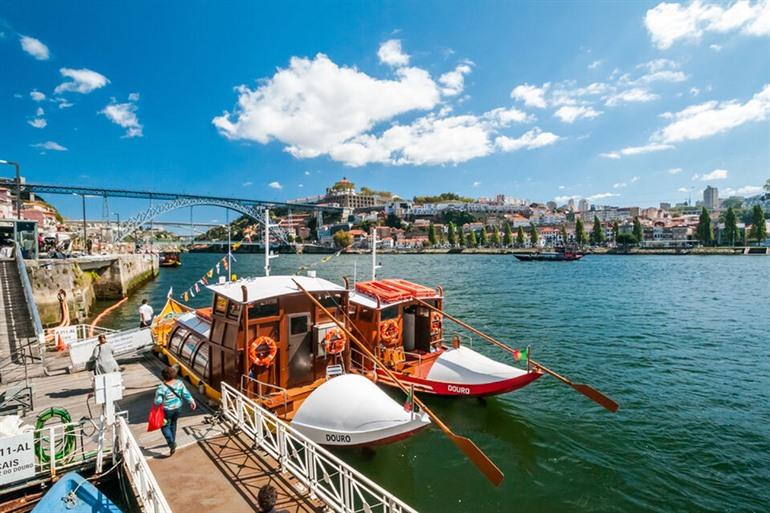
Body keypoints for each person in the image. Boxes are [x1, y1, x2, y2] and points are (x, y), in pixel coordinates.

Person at [154, 366, 196, 456]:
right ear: (173, 375)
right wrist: (191, 401)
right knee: (173, 424)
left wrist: (156, 402)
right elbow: (186, 393)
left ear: (163, 376)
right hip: (178, 408)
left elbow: (158, 401)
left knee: (164, 426)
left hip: (167, 410)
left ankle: (171, 443)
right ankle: (173, 440)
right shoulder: (179, 383)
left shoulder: (161, 387)